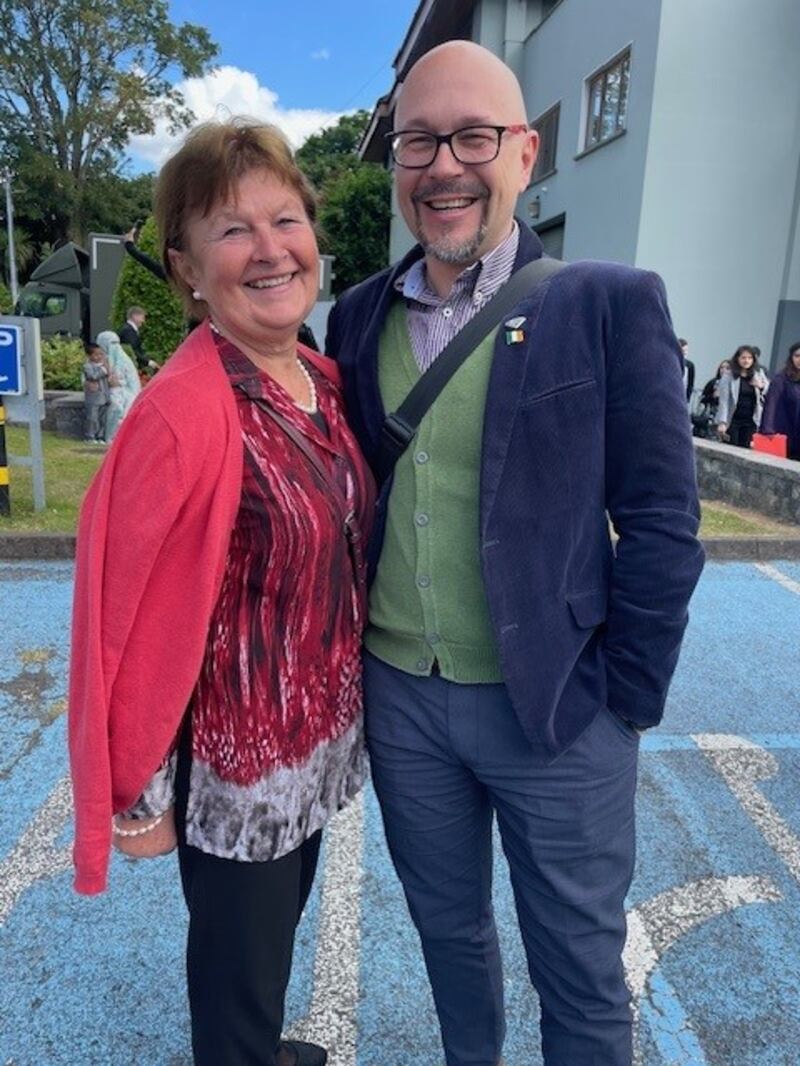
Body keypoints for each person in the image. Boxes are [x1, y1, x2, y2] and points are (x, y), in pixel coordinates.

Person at [325, 41, 704, 1066]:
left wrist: (624, 697)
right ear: (396, 162)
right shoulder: (355, 315)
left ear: (523, 153)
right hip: (402, 698)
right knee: (448, 940)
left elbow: (664, 521)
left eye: (472, 137)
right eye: (416, 141)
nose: (443, 165)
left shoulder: (604, 302)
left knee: (577, 968)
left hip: (559, 708)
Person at [69, 119, 375, 1066]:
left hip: (310, 751)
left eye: (286, 218)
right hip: (237, 778)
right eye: (232, 230)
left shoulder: (318, 378)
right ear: (188, 270)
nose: (271, 248)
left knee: (265, 955)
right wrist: (138, 800)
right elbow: (123, 621)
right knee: (234, 980)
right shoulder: (182, 413)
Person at [122, 224, 320, 350]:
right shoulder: (199, 283)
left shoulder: (292, 330)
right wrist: (130, 248)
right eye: (233, 232)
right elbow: (159, 269)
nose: (271, 255)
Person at [716, 345, 769, 448]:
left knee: (746, 450)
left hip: (751, 420)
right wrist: (722, 422)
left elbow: (768, 390)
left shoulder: (758, 374)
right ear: (737, 359)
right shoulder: (729, 376)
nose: (746, 361)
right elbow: (724, 401)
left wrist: (760, 386)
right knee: (730, 448)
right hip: (733, 418)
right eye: (743, 358)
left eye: (750, 358)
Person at [95, 329, 141, 442]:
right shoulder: (101, 357)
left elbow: (122, 381)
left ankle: (113, 436)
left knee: (117, 406)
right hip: (113, 391)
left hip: (127, 393)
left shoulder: (123, 360)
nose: (113, 346)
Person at [760, 341, 800, 459]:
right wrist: (768, 429)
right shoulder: (781, 378)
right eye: (797, 356)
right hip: (784, 431)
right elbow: (771, 404)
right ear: (791, 357)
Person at [81, 342, 110, 444]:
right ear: (89, 355)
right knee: (92, 418)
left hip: (104, 396)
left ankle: (100, 436)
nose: (99, 357)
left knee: (102, 418)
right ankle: (90, 436)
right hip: (93, 397)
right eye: (96, 354)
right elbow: (92, 376)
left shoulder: (105, 366)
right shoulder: (88, 366)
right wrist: (103, 370)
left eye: (101, 354)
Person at [117, 304, 149, 369]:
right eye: (142, 318)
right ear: (135, 316)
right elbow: (132, 350)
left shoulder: (128, 329)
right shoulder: (128, 330)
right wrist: (148, 362)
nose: (143, 321)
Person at [678, 337, 695, 402]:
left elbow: (690, 384)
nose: (685, 353)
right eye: (683, 351)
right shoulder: (671, 363)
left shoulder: (690, 365)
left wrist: (687, 398)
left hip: (683, 395)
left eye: (686, 350)